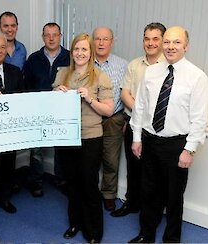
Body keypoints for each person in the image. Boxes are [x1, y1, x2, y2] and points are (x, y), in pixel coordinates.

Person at [129, 26, 208, 243]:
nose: (170, 46)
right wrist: (137, 138)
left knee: (173, 196)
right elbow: (140, 108)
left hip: (177, 145)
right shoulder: (151, 72)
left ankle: (171, 238)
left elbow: (199, 118)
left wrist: (189, 149)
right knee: (148, 192)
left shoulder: (197, 77)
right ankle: (146, 234)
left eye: (176, 42)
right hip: (150, 141)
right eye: (167, 42)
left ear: (186, 46)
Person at [53, 32, 114, 243]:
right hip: (66, 137)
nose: (80, 53)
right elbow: (51, 107)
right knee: (71, 183)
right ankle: (75, 222)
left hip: (90, 138)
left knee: (88, 184)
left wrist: (90, 99)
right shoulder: (62, 74)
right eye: (76, 49)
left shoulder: (100, 76)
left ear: (91, 52)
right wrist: (56, 95)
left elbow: (108, 110)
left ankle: (94, 231)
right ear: (72, 51)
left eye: (84, 49)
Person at [111, 22, 166, 218]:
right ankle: (131, 203)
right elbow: (125, 94)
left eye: (155, 39)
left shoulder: (169, 67)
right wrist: (141, 112)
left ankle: (152, 210)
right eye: (147, 38)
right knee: (133, 169)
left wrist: (147, 115)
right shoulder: (134, 65)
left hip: (157, 130)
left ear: (163, 41)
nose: (150, 43)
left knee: (153, 172)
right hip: (134, 124)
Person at [23, 22, 70, 196]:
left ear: (60, 36)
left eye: (55, 35)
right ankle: (36, 181)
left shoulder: (71, 57)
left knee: (62, 148)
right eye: (47, 35)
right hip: (37, 110)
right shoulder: (33, 59)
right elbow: (26, 86)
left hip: (61, 111)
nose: (51, 38)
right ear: (43, 37)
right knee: (36, 149)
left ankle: (62, 179)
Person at [0, 31, 25, 213]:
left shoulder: (15, 72)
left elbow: (22, 98)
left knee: (8, 167)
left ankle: (4, 198)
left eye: (3, 47)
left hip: (10, 132)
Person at [92, 26, 128, 211]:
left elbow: (127, 94)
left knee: (111, 160)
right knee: (90, 159)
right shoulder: (85, 62)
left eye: (105, 39)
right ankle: (89, 192)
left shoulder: (123, 65)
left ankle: (108, 194)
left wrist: (126, 120)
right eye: (97, 38)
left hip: (114, 119)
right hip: (90, 119)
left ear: (112, 42)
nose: (101, 42)